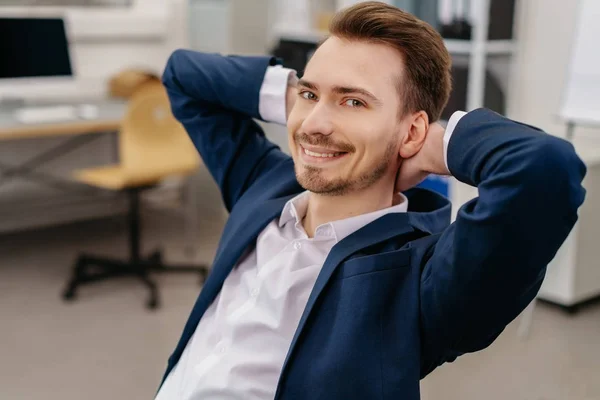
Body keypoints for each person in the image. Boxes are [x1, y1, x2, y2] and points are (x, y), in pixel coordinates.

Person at [155, 2, 586, 399]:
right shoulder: (265, 186)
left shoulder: (423, 278)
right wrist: (302, 99)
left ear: (413, 131)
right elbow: (183, 74)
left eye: (353, 101)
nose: (315, 124)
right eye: (311, 95)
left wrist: (435, 145)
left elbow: (545, 168)